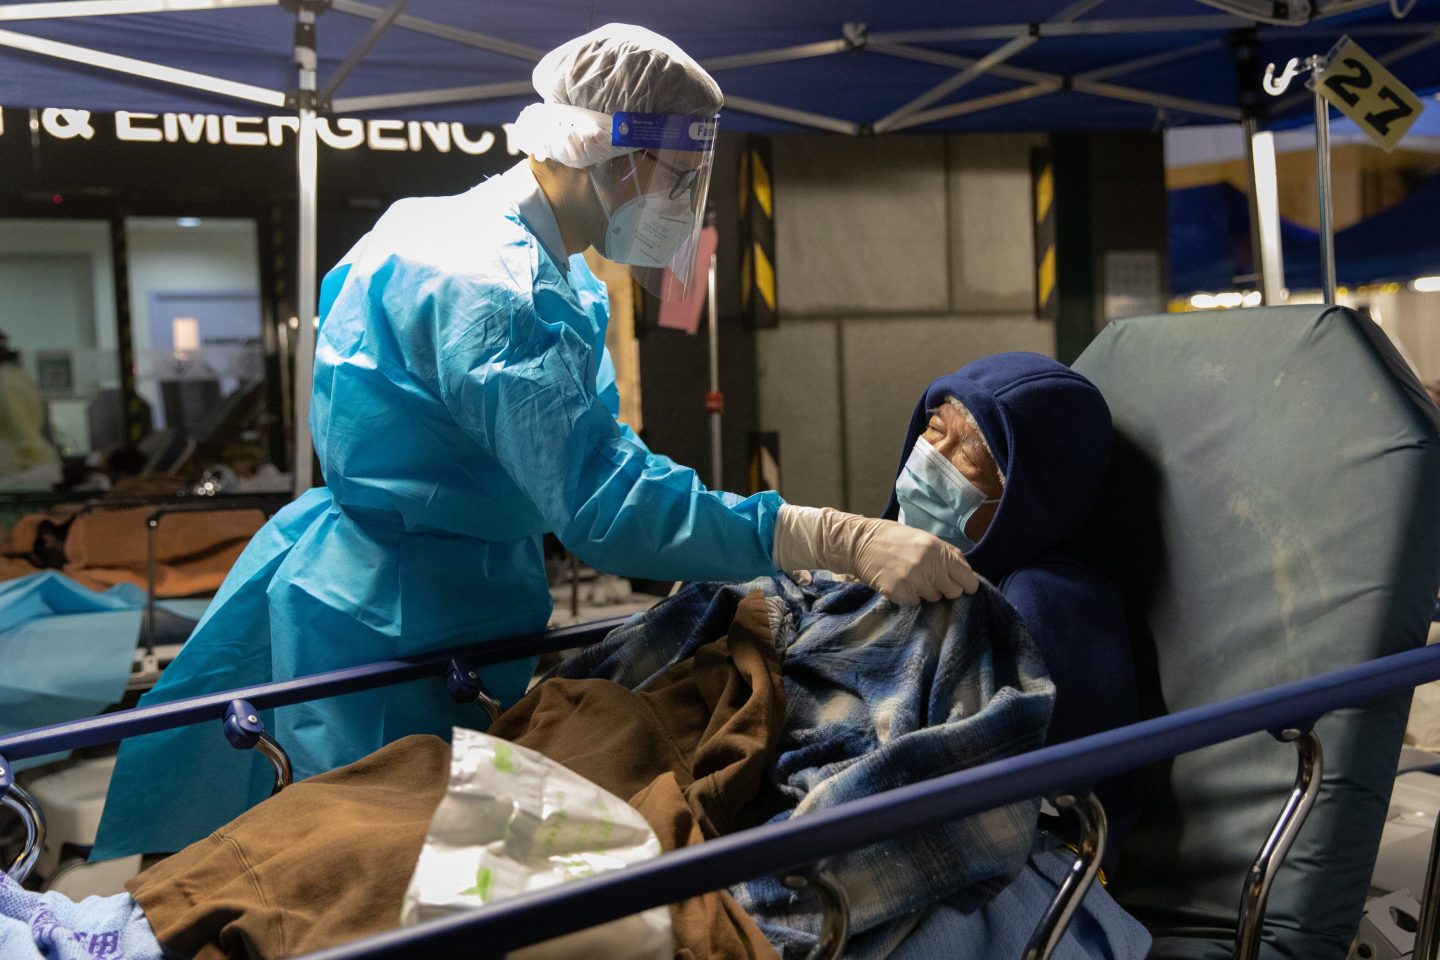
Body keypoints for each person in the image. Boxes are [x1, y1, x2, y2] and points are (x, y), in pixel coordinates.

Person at [92, 23, 976, 860]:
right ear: (610, 152)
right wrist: (833, 536)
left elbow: (580, 455)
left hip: (419, 593)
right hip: (398, 619)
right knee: (387, 873)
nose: (676, 198)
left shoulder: (461, 240)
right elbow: (605, 501)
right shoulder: (494, 290)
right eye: (672, 173)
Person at [882, 351, 1143, 859]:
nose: (932, 459)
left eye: (968, 458)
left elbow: (1073, 804)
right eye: (935, 430)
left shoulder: (1046, 601)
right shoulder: (924, 572)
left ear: (1024, 498)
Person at [0, 331, 60, 490]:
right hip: (29, 465)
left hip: (19, 469)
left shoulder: (6, 385)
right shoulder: (17, 377)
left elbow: (21, 431)